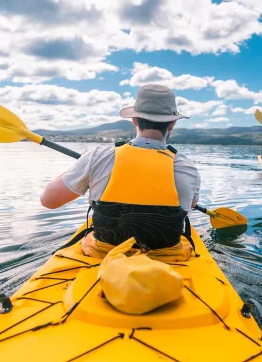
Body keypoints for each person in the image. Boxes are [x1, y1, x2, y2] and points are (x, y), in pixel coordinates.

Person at [40, 84, 201, 258]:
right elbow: (190, 205)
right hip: (165, 257)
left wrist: (83, 164)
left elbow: (48, 201)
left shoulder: (98, 156)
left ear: (134, 120)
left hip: (103, 253)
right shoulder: (188, 169)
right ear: (172, 124)